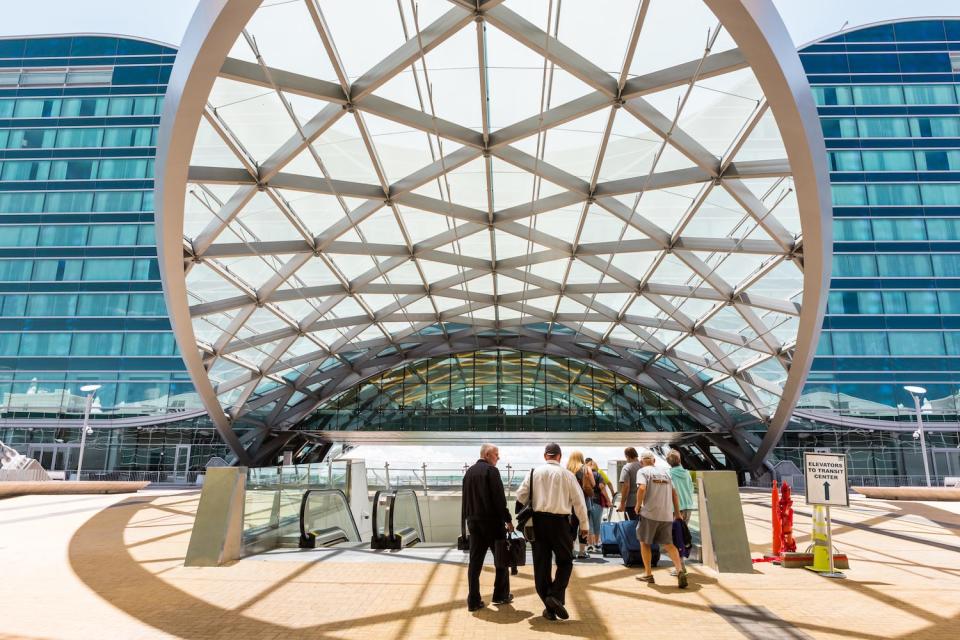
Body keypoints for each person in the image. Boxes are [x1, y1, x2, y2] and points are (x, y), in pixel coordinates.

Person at [516, 443, 589, 622]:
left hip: (538, 523)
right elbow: (579, 501)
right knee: (565, 561)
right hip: (560, 523)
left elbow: (520, 496)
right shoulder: (567, 475)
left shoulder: (534, 473)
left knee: (541, 565)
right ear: (559, 456)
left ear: (545, 456)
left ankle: (549, 605)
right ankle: (555, 596)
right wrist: (585, 525)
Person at [462, 443, 514, 611]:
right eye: (496, 455)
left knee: (474, 563)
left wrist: (466, 521)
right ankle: (500, 595)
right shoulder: (491, 471)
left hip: (473, 523)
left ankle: (473, 601)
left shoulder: (468, 473)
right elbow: (499, 499)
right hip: (492, 523)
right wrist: (508, 519)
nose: (498, 458)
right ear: (486, 455)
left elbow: (466, 500)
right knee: (501, 559)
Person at [634, 450, 688, 588]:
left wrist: (638, 505)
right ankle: (680, 570)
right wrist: (677, 513)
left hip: (649, 514)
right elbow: (674, 494)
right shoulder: (666, 473)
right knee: (669, 544)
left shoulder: (642, 472)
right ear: (654, 461)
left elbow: (641, 488)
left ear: (641, 462)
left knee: (644, 543)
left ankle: (648, 574)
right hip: (666, 514)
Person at [565, 450, 595, 559]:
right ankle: (582, 552)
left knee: (571, 527)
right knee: (584, 526)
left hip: (570, 503)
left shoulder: (567, 469)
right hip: (584, 501)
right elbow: (593, 483)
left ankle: (571, 551)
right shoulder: (585, 468)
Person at [584, 458, 608, 553]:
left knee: (589, 524)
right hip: (597, 502)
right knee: (597, 523)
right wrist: (608, 500)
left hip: (587, 501)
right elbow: (602, 487)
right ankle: (596, 543)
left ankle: (589, 545)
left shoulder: (585, 475)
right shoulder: (598, 475)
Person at [666, 450, 695, 522]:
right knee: (684, 531)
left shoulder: (669, 474)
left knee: (675, 532)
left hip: (676, 509)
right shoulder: (687, 473)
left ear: (668, 462)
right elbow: (691, 489)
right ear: (680, 460)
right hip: (688, 506)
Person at [617, 447, 642, 520]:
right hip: (644, 502)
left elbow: (626, 486)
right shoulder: (643, 466)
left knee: (630, 527)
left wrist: (622, 504)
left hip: (631, 504)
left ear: (627, 456)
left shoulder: (626, 468)